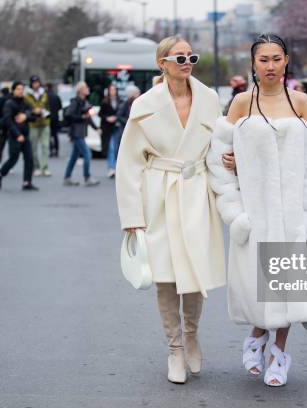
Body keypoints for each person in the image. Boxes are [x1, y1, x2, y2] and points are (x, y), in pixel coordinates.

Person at [207, 33, 307, 387]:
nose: (270, 66)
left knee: (289, 288)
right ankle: (256, 335)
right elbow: (218, 160)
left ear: (286, 60)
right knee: (258, 286)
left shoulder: (302, 104)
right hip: (255, 213)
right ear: (253, 64)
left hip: (296, 214)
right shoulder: (239, 104)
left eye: (276, 58)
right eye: (263, 59)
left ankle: (278, 352)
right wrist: (235, 209)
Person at [116, 36, 226, 385]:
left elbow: (218, 148)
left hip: (196, 192)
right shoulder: (144, 105)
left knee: (194, 273)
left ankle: (192, 334)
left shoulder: (209, 99)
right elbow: (129, 164)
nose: (187, 62)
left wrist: (230, 173)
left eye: (191, 56)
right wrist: (133, 219)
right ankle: (175, 348)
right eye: (179, 57)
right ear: (161, 62)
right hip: (158, 194)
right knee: (164, 276)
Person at [0, 81, 38, 191]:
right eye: (18, 89)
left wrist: (26, 116)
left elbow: (33, 115)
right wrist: (17, 134)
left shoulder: (25, 102)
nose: (20, 91)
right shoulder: (9, 103)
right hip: (15, 135)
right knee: (13, 159)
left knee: (29, 159)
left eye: (22, 89)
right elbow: (8, 120)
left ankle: (27, 182)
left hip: (25, 134)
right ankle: (0, 174)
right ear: (13, 90)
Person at [62, 82, 100, 187]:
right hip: (76, 132)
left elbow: (88, 118)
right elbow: (69, 115)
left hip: (81, 132)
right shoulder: (75, 102)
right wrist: (82, 117)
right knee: (87, 154)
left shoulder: (84, 102)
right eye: (86, 87)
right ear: (80, 90)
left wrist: (96, 128)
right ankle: (87, 177)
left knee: (74, 157)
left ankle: (67, 177)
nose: (88, 89)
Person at [107, 84, 139, 179]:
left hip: (133, 131)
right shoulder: (125, 103)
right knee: (118, 150)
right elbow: (119, 116)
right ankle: (117, 169)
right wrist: (129, 121)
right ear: (132, 95)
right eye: (136, 93)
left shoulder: (136, 102)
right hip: (124, 131)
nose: (139, 94)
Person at [24, 75, 52, 177]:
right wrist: (33, 111)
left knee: (45, 146)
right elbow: (25, 108)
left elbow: (49, 106)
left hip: (44, 122)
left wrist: (45, 111)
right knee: (33, 147)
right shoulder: (27, 95)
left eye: (37, 82)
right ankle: (36, 166)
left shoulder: (44, 93)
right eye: (34, 82)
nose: (36, 84)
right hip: (33, 123)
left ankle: (45, 167)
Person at [99, 84, 120, 170]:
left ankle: (116, 168)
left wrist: (116, 117)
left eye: (114, 90)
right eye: (111, 90)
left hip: (117, 126)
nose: (112, 91)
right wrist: (107, 118)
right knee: (111, 148)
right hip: (108, 127)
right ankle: (111, 168)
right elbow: (100, 113)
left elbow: (122, 112)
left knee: (116, 148)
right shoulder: (105, 101)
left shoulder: (120, 101)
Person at [0, 87, 11, 168]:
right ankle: (9, 163)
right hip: (10, 125)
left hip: (2, 125)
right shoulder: (11, 100)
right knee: (10, 144)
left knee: (0, 145)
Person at [46, 82, 62, 158]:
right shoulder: (56, 96)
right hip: (55, 117)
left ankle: (51, 149)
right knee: (55, 135)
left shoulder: (45, 96)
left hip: (47, 117)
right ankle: (56, 149)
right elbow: (60, 107)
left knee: (48, 135)